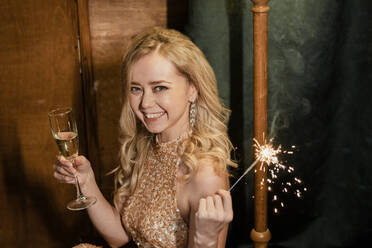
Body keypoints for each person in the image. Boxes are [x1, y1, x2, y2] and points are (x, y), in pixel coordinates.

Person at [53, 27, 237, 248]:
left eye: (159, 87)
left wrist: (204, 239)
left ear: (192, 89)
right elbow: (121, 238)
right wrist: (86, 181)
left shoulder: (205, 174)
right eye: (136, 89)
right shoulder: (146, 145)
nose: (145, 103)